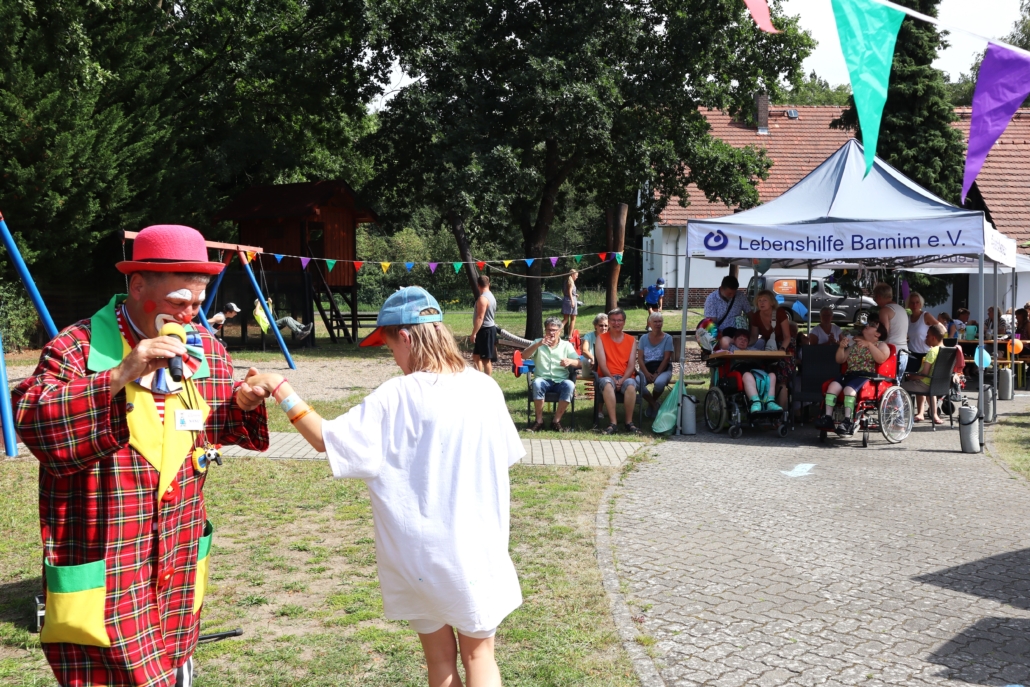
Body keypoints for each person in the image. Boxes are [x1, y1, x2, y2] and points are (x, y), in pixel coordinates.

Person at [12, 225, 271, 687]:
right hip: (106, 556)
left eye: (198, 302)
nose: (190, 314)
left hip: (177, 553)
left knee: (174, 663)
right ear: (137, 286)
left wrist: (241, 403)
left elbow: (212, 424)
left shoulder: (205, 348)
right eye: (178, 301)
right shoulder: (76, 347)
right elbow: (34, 420)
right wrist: (119, 373)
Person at [243, 286, 522, 687]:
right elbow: (504, 456)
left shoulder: (396, 396)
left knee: (440, 662)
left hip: (419, 559)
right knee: (480, 656)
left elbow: (325, 439)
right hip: (480, 551)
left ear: (405, 337)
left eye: (391, 348)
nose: (394, 358)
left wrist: (280, 388)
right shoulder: (485, 388)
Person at [816, 319, 891, 436]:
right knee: (832, 387)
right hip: (849, 374)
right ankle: (828, 418)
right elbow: (840, 360)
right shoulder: (856, 345)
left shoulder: (881, 345)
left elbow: (881, 359)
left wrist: (869, 345)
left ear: (877, 334)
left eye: (872, 325)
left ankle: (848, 421)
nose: (867, 325)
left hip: (865, 376)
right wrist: (841, 347)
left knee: (849, 390)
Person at [523, 316, 581, 432]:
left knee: (570, 385)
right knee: (537, 383)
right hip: (543, 379)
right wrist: (538, 345)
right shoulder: (538, 342)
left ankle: (556, 421)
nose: (551, 333)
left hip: (560, 380)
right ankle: (539, 421)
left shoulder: (566, 345)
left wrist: (570, 361)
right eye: (549, 330)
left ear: (560, 331)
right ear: (545, 330)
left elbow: (579, 363)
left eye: (554, 330)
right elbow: (523, 356)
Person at [595, 308, 640, 435]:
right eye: (613, 320)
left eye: (619, 320)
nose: (616, 323)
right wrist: (613, 379)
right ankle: (613, 423)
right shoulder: (601, 338)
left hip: (626, 376)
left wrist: (623, 379)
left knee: (631, 385)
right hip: (607, 376)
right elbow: (602, 364)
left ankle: (629, 422)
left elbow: (631, 365)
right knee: (608, 384)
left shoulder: (631, 340)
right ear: (609, 322)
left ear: (624, 322)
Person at [718, 328, 781, 413]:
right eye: (740, 339)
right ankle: (755, 402)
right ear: (734, 339)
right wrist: (733, 340)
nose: (743, 341)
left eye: (745, 340)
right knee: (748, 375)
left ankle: (770, 402)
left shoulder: (752, 349)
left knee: (772, 375)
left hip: (754, 370)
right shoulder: (731, 347)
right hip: (739, 370)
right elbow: (724, 341)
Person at [902, 323, 947, 424]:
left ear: (933, 338)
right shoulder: (946, 350)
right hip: (938, 385)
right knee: (922, 383)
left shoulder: (932, 351)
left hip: (925, 384)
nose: (926, 337)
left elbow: (924, 373)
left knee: (898, 386)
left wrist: (911, 377)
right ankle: (933, 415)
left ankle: (899, 415)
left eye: (928, 335)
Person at [637, 311, 674, 418]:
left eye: (660, 321)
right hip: (646, 368)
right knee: (637, 383)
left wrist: (657, 373)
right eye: (655, 322)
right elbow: (640, 358)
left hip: (663, 369)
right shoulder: (643, 338)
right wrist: (646, 373)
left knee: (659, 383)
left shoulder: (668, 338)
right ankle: (654, 404)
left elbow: (666, 358)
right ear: (649, 323)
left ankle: (652, 403)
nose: (658, 324)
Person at [872, 282, 909, 375]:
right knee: (897, 381)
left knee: (887, 381)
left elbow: (883, 333)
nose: (875, 301)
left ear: (879, 296)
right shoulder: (901, 309)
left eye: (875, 298)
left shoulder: (884, 310)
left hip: (893, 353)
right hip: (904, 352)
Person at [471, 275, 498, 375]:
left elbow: (480, 318)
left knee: (486, 359)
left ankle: (488, 381)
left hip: (486, 331)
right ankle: (479, 377)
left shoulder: (483, 298)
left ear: (478, 285)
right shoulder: (491, 295)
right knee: (476, 356)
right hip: (483, 330)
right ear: (489, 284)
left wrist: (474, 333)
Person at [906, 292, 939, 374]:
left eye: (917, 302)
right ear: (908, 304)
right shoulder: (908, 318)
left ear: (921, 304)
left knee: (924, 378)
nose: (915, 305)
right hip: (912, 354)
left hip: (926, 354)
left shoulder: (925, 315)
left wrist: (932, 339)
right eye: (912, 303)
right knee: (910, 378)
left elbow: (941, 329)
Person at [579, 312, 608, 377]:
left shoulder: (610, 337)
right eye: (601, 325)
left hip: (605, 363)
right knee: (586, 361)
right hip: (591, 361)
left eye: (606, 326)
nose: (604, 328)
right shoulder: (588, 336)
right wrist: (593, 358)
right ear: (595, 325)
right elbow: (584, 350)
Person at [562, 269, 579, 337]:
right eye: (576, 275)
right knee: (573, 319)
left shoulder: (566, 281)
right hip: (571, 300)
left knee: (565, 319)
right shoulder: (571, 282)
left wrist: (575, 294)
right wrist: (572, 300)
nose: (577, 277)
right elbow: (569, 291)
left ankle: (556, 330)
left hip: (565, 300)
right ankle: (570, 335)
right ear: (572, 275)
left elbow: (565, 292)